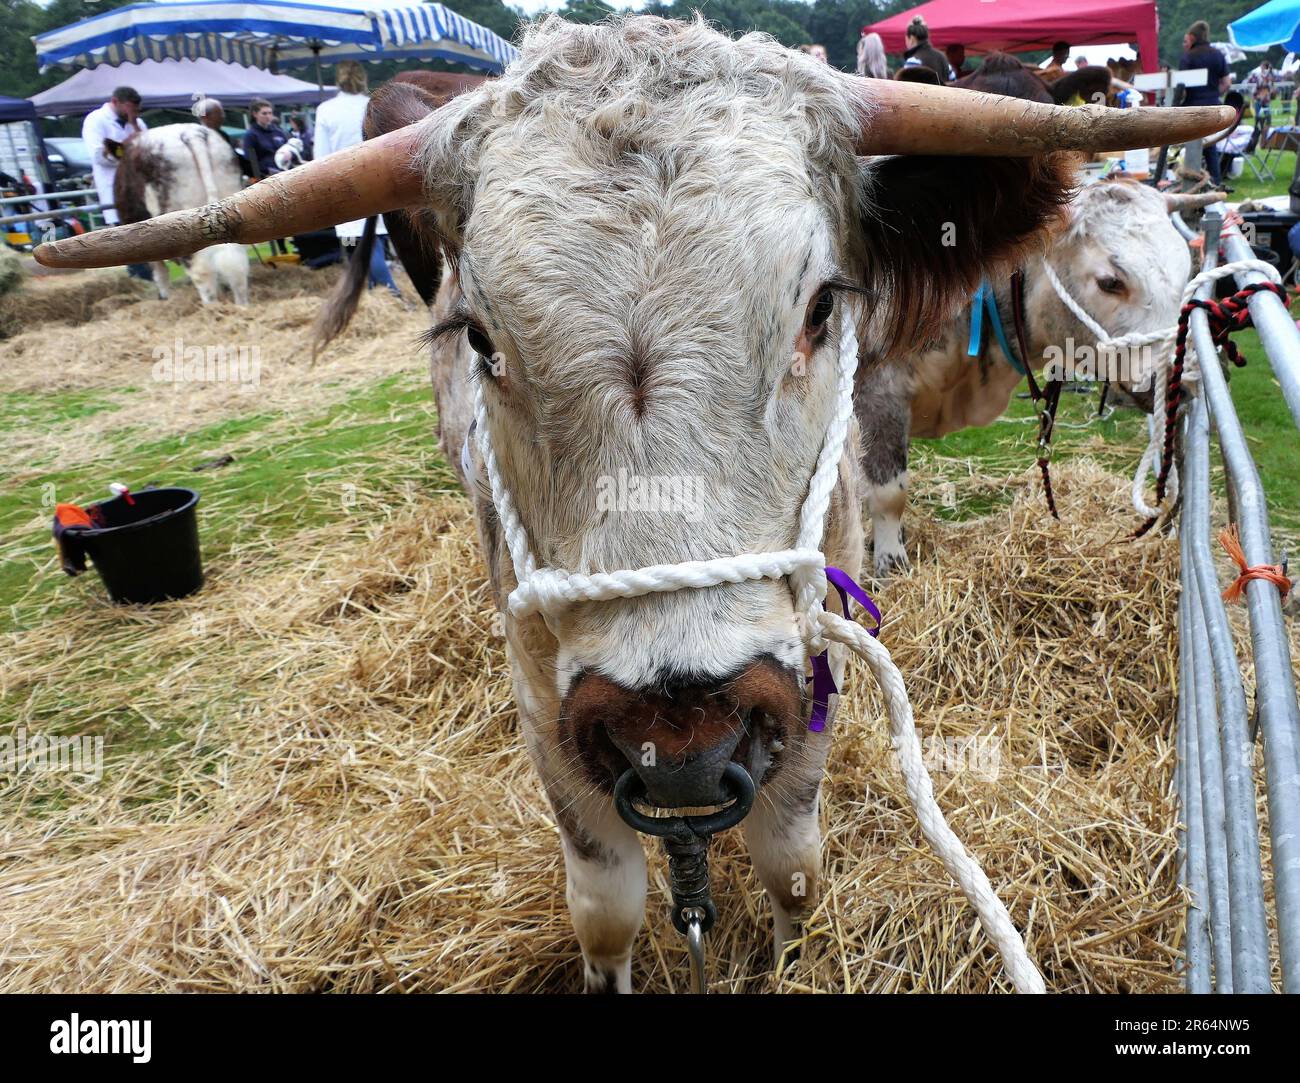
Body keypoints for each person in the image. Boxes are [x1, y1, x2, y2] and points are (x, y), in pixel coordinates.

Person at [314, 61, 406, 301]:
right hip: (380, 180)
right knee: (371, 239)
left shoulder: (326, 109)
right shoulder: (372, 105)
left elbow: (320, 156)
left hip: (344, 182)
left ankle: (391, 294)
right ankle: (379, 294)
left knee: (360, 241)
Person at [82, 86, 150, 280]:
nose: (132, 113)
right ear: (115, 101)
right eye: (129, 108)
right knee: (125, 234)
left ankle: (151, 275)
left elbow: (147, 148)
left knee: (147, 232)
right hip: (113, 184)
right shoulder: (95, 120)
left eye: (135, 109)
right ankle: (137, 278)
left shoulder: (138, 122)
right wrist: (129, 147)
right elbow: (98, 155)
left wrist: (135, 126)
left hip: (139, 186)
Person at [1179, 20, 1231, 185]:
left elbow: (1182, 87)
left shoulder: (1188, 57)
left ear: (1192, 37)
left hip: (1192, 106)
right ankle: (1215, 182)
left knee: (1189, 146)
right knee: (1210, 147)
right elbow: (1227, 83)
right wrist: (1215, 94)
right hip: (1213, 105)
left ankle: (1190, 181)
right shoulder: (1218, 54)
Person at [241, 99, 289, 180]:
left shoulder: (278, 132)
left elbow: (289, 148)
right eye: (264, 113)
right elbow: (250, 161)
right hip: (266, 177)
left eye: (270, 113)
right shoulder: (251, 135)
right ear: (255, 114)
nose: (268, 116)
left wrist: (290, 153)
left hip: (285, 172)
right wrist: (261, 176)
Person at [903, 16, 952, 82]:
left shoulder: (913, 61)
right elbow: (953, 81)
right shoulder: (942, 57)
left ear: (911, 38)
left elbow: (906, 87)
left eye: (906, 39)